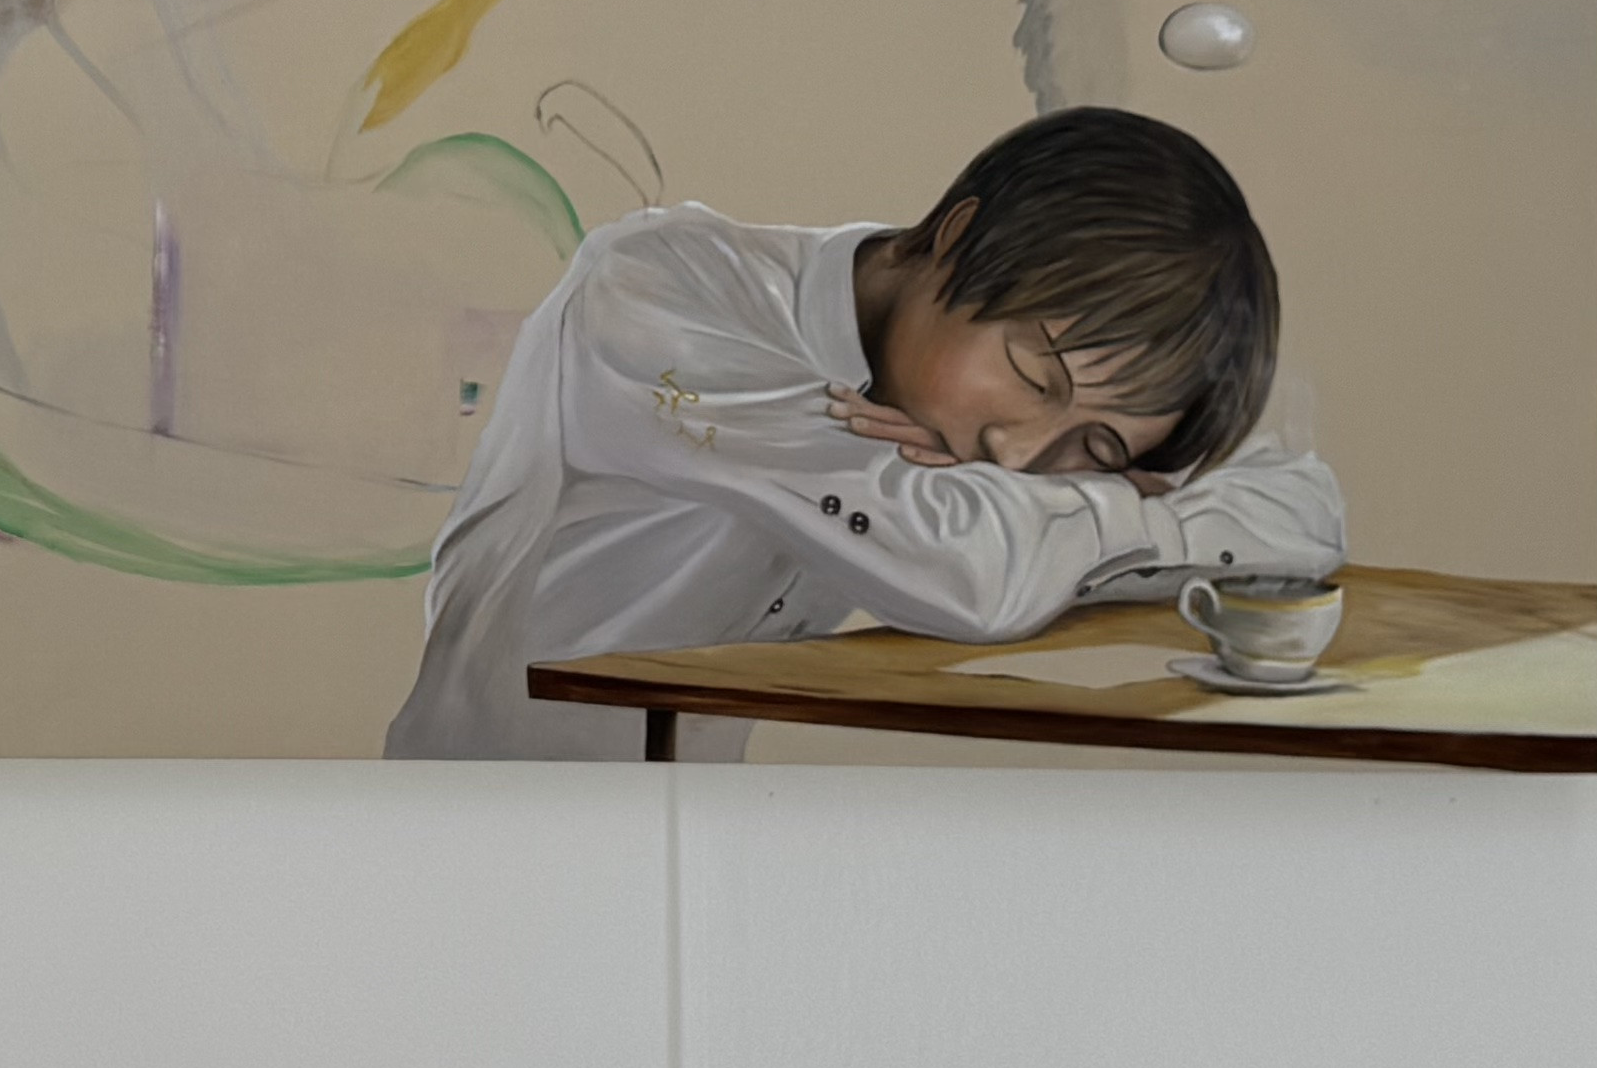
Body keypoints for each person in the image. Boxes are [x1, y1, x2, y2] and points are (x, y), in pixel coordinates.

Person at [381, 106, 1346, 761]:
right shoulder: (660, 292)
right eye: (1034, 375)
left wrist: (1068, 509)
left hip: (679, 834)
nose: (1019, 456)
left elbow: (1304, 507)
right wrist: (1112, 509)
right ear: (954, 239)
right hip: (473, 831)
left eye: (1096, 451)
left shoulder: (942, 400)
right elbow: (973, 577)